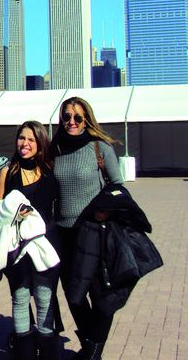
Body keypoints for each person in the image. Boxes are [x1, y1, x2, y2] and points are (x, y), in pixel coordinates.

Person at [52, 97, 123, 360]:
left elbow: (118, 186)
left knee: (100, 296)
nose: (71, 122)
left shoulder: (99, 148)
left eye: (77, 118)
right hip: (63, 232)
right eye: (67, 117)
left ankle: (92, 353)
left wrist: (104, 211)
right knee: (74, 296)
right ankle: (92, 346)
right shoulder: (55, 148)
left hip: (93, 231)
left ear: (86, 120)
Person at [0, 121, 61, 360]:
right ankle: (24, 353)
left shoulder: (50, 170)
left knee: (45, 298)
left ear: (40, 143)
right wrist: (12, 214)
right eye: (22, 138)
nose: (25, 143)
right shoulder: (8, 171)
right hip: (17, 245)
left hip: (45, 244)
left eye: (31, 139)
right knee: (20, 297)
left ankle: (48, 352)